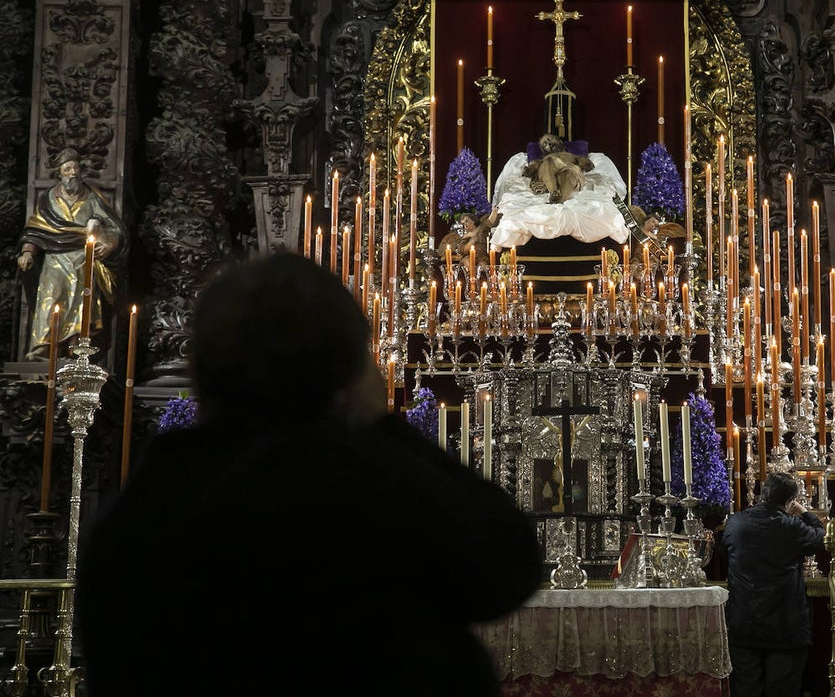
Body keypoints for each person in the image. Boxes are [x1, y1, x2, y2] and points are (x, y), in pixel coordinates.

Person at [75, 253, 542, 697]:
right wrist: (379, 423)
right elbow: (508, 565)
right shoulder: (377, 489)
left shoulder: (139, 516)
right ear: (351, 373)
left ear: (200, 371)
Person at [721, 472, 825, 697]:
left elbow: (724, 551)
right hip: (785, 626)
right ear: (789, 501)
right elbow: (820, 539)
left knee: (746, 690)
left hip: (744, 623)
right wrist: (805, 513)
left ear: (763, 494)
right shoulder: (791, 526)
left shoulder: (736, 523)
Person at [16, 148, 126, 359]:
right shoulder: (49, 199)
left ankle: (77, 346)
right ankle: (44, 346)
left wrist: (110, 243)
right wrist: (28, 252)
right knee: (49, 298)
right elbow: (37, 229)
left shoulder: (92, 197)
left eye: (76, 168)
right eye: (67, 169)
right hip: (54, 260)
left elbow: (113, 227)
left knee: (81, 301)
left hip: (83, 257)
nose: (73, 172)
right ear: (60, 173)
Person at [522, 133, 594, 204]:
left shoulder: (572, 156)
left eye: (549, 139)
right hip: (549, 172)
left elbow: (584, 162)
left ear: (558, 140)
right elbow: (533, 166)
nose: (549, 143)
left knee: (568, 172)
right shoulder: (543, 160)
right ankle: (553, 192)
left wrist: (585, 163)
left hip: (568, 169)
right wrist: (530, 169)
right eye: (545, 144)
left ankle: (560, 199)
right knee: (548, 163)